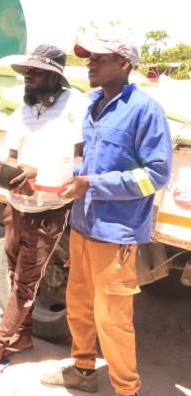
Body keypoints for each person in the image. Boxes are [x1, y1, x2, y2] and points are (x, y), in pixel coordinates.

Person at [41, 37, 172, 396]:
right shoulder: (92, 106)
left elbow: (156, 175)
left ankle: (126, 389)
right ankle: (83, 371)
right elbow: (86, 160)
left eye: (101, 59)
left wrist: (93, 184)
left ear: (125, 63)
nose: (91, 64)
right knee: (80, 308)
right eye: (89, 58)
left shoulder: (145, 110)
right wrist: (68, 177)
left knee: (113, 319)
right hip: (83, 228)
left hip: (116, 234)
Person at [0, 45, 87, 380]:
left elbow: (81, 160)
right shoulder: (22, 110)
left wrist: (44, 177)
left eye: (35, 72)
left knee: (25, 283)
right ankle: (21, 338)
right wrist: (8, 174)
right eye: (26, 72)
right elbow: (11, 155)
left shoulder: (74, 107)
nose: (27, 77)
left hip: (49, 209)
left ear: (54, 75)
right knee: (12, 274)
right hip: (17, 206)